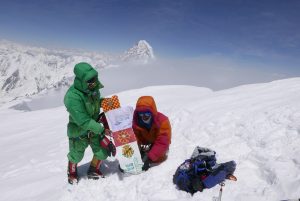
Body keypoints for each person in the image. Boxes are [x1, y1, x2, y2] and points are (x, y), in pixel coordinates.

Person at [64, 62, 115, 184]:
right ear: (81, 80)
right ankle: (71, 172)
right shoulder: (72, 97)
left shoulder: (93, 88)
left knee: (102, 152)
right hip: (79, 131)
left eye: (94, 78)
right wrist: (102, 130)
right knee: (76, 155)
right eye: (89, 80)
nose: (93, 82)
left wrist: (107, 103)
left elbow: (96, 102)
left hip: (94, 128)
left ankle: (93, 169)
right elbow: (84, 121)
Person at [132, 96, 172, 171]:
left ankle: (150, 154)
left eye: (147, 114)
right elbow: (135, 138)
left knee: (159, 156)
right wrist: (130, 156)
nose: (144, 117)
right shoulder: (137, 122)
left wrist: (149, 158)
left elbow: (163, 142)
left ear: (152, 112)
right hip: (146, 143)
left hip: (158, 144)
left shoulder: (163, 121)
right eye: (141, 114)